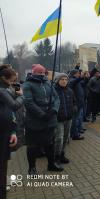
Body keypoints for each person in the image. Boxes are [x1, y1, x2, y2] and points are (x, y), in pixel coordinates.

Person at [23, 64, 62, 175]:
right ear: (34, 72)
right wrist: (42, 114)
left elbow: (56, 98)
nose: (41, 74)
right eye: (39, 72)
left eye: (42, 72)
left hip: (50, 120)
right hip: (34, 121)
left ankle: (51, 164)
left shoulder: (48, 83)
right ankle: (32, 168)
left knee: (50, 144)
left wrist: (54, 110)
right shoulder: (27, 84)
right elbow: (28, 102)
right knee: (32, 146)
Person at [0, 65, 24, 199]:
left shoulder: (6, 88)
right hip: (2, 133)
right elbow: (14, 105)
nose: (12, 83)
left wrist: (13, 131)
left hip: (7, 130)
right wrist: (22, 96)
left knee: (4, 163)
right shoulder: (2, 90)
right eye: (11, 80)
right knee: (2, 164)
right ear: (3, 78)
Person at [54, 73, 76, 168]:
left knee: (66, 137)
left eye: (65, 79)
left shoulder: (70, 91)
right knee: (59, 138)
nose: (64, 81)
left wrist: (74, 109)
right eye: (62, 79)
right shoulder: (53, 91)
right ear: (57, 80)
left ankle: (62, 154)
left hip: (68, 118)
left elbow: (74, 102)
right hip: (58, 119)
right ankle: (56, 157)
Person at [68, 69, 85, 140]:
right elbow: (75, 81)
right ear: (74, 74)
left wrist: (85, 78)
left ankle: (76, 132)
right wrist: (81, 77)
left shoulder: (77, 81)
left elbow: (84, 83)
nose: (79, 74)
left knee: (78, 118)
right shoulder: (72, 80)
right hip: (76, 104)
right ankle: (74, 135)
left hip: (79, 103)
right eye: (78, 73)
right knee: (75, 120)